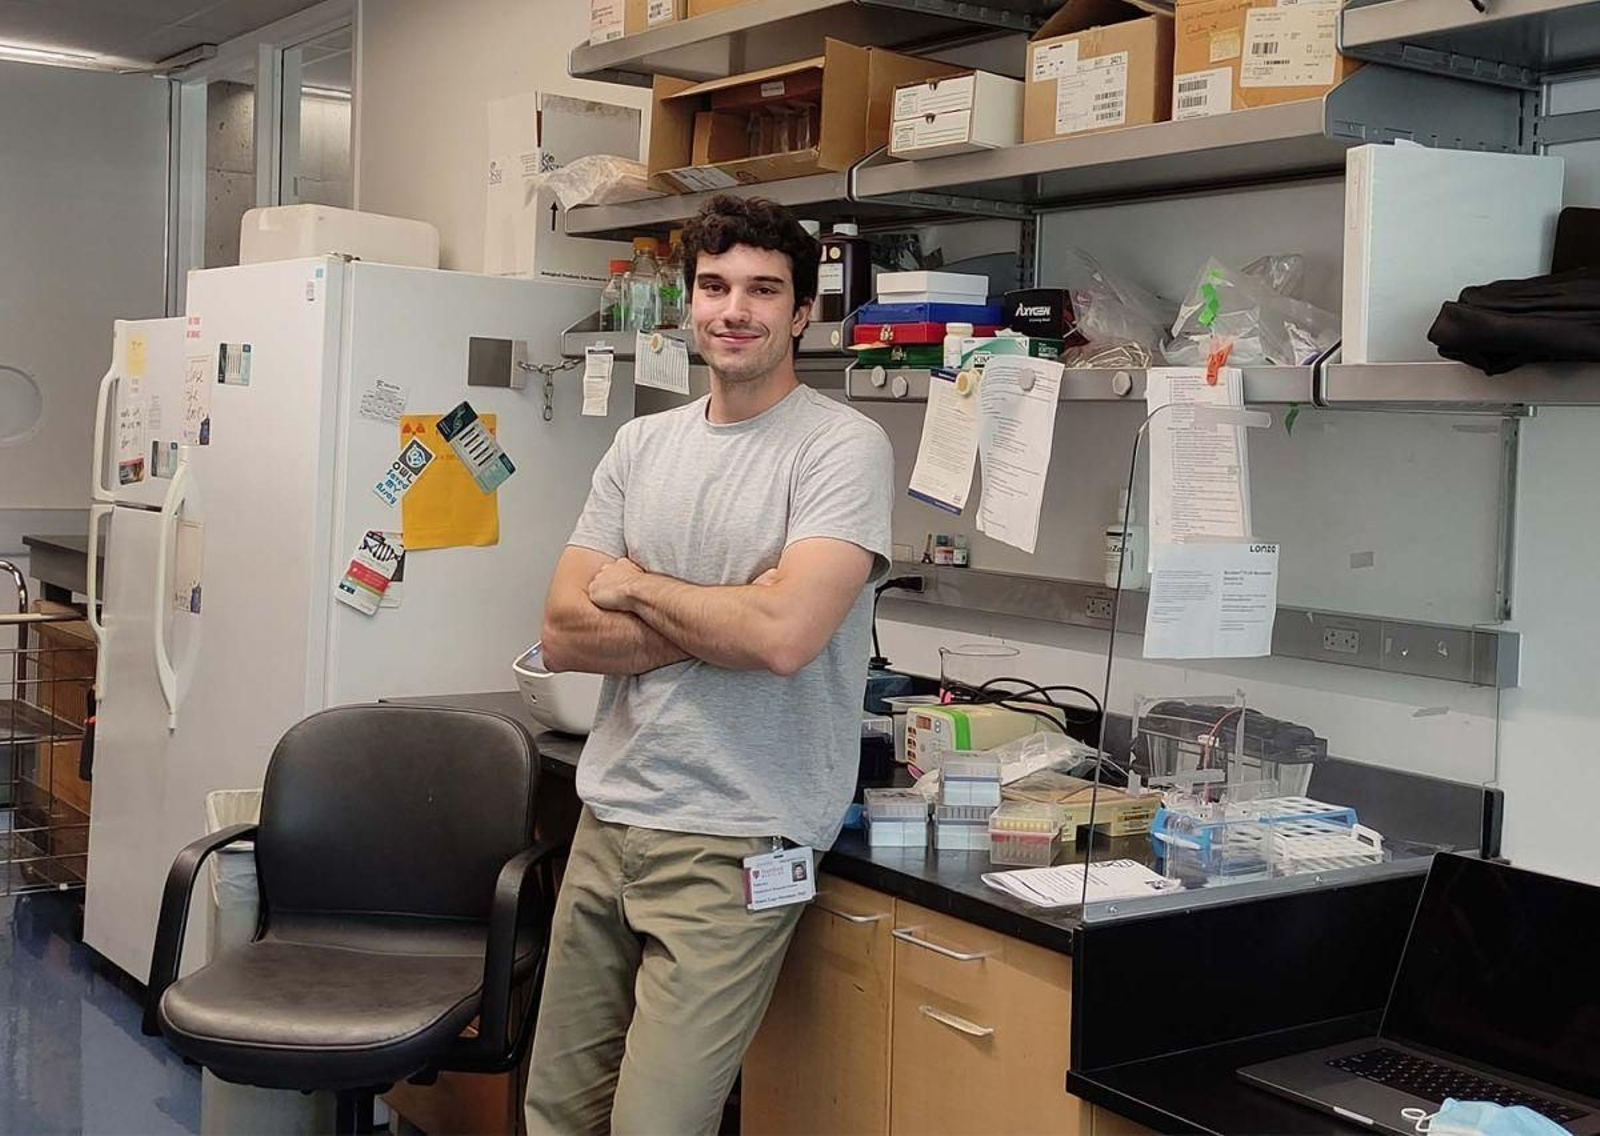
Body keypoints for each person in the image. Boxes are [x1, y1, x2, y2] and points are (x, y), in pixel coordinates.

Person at [524, 195, 894, 1136]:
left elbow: (781, 639)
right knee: (556, 1116)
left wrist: (638, 585)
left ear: (803, 312)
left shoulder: (840, 447)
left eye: (764, 290)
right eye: (715, 285)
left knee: (656, 1129)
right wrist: (730, 605)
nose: (736, 309)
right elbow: (565, 632)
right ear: (689, 302)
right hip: (610, 820)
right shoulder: (641, 443)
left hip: (741, 840)